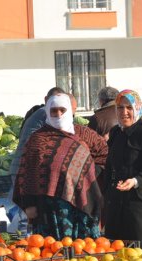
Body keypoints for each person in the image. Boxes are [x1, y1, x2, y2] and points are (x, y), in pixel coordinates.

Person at [13, 94, 102, 239]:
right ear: (48, 112)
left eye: (62, 110)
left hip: (77, 208)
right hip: (47, 210)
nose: (58, 114)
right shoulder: (36, 140)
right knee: (52, 252)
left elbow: (101, 157)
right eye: (54, 111)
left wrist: (90, 173)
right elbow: (26, 174)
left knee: (81, 253)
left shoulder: (81, 136)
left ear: (69, 111)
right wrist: (28, 205)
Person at [104, 89, 142, 250]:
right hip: (117, 204)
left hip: (139, 204)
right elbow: (110, 166)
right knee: (115, 255)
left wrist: (136, 180)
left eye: (129, 108)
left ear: (137, 108)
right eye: (120, 108)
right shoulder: (115, 133)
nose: (124, 112)